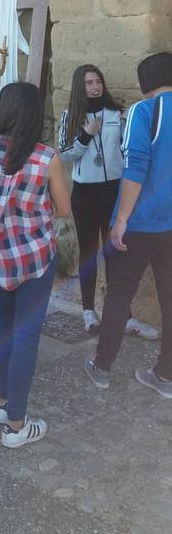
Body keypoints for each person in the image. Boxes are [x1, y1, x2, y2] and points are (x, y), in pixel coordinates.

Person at [0, 82, 71, 448]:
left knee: (2, 326)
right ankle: (16, 424)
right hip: (33, 257)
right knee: (26, 333)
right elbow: (63, 209)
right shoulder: (47, 158)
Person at [85, 52, 172, 398]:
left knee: (119, 294)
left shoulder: (144, 111)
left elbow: (135, 167)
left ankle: (102, 367)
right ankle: (165, 375)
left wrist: (120, 220)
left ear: (144, 81)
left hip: (139, 223)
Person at [58, 64, 158, 339]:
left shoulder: (116, 113)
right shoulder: (71, 116)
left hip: (114, 190)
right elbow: (64, 154)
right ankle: (89, 311)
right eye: (89, 82)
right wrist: (87, 133)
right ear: (81, 86)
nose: (95, 87)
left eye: (98, 81)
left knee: (117, 253)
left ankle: (124, 316)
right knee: (89, 253)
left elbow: (131, 147)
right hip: (85, 194)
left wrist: (129, 124)